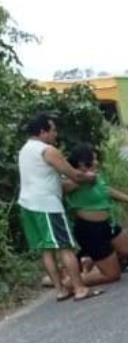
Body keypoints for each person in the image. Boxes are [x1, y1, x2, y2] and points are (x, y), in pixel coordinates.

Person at [16, 113, 102, 301]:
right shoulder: (47, 150)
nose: (56, 134)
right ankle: (80, 288)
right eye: (53, 130)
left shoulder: (24, 150)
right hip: (47, 204)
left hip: (27, 205)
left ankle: (61, 290)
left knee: (46, 249)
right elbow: (74, 175)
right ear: (42, 132)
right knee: (65, 247)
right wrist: (90, 177)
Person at [64, 143, 128, 285]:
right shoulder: (72, 181)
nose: (96, 162)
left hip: (107, 224)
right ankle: (71, 283)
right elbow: (65, 187)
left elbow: (107, 190)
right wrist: (83, 178)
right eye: (93, 159)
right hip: (90, 230)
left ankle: (91, 260)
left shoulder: (95, 176)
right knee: (113, 276)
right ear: (82, 163)